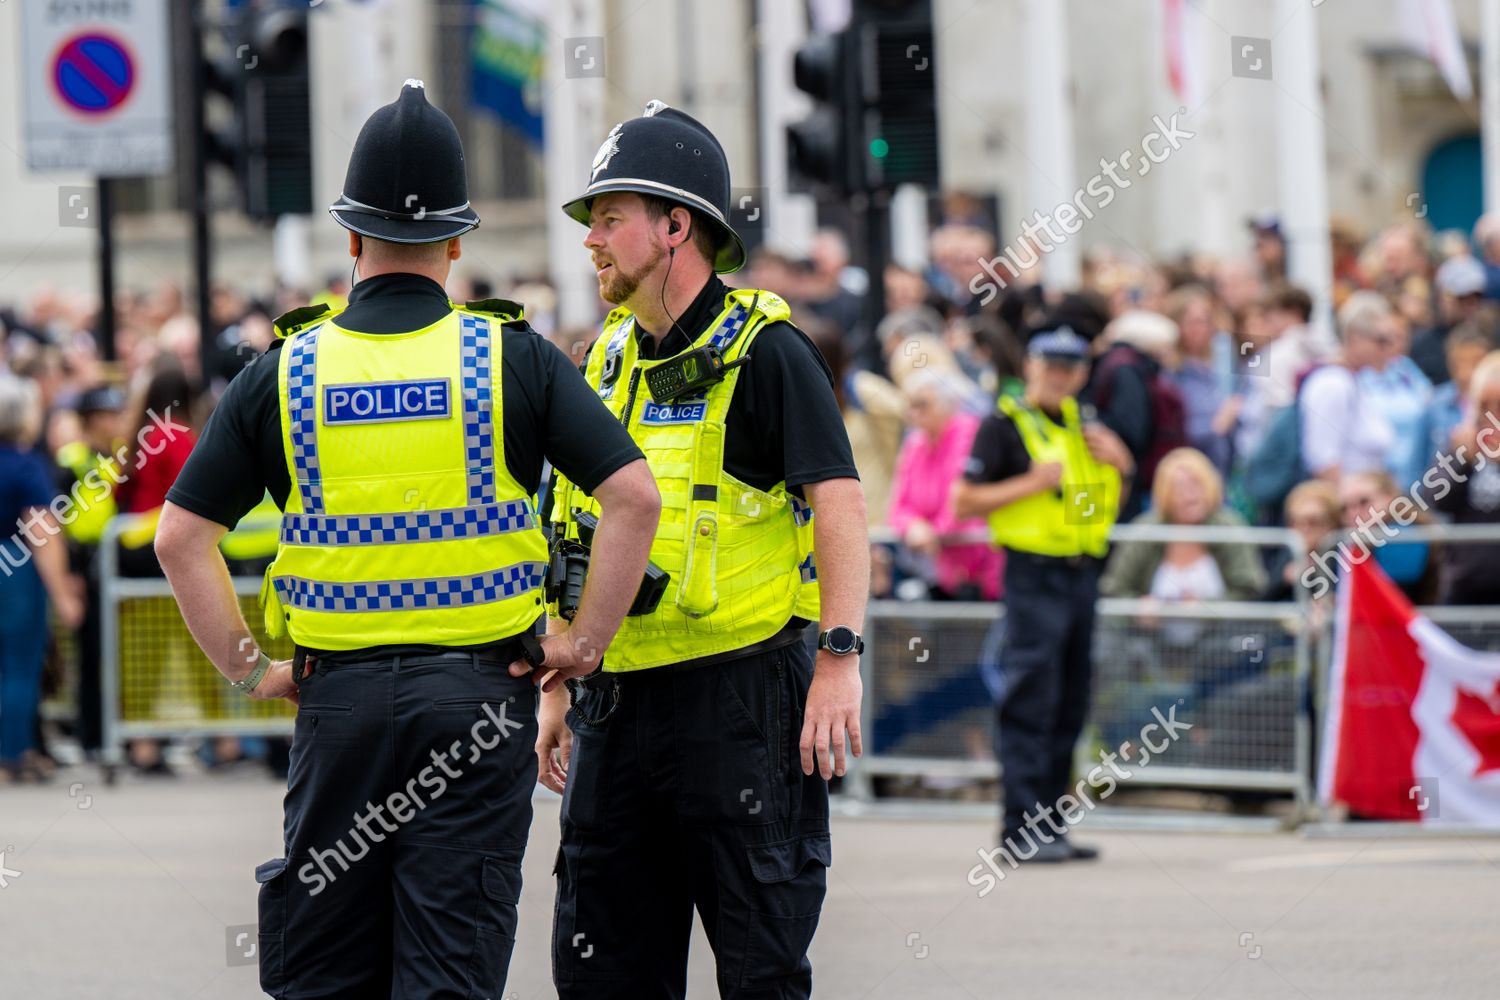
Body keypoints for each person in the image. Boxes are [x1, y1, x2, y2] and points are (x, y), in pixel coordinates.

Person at [153, 82, 659, 999]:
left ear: (350, 238)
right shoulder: (515, 358)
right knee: (449, 969)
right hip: (476, 705)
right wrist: (582, 644)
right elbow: (633, 497)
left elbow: (181, 537)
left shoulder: (286, 371)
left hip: (335, 703)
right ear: (457, 240)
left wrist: (247, 668)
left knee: (327, 970)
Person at [543, 100, 867, 999]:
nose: (592, 240)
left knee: (760, 970)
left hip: (743, 706)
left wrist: (838, 661)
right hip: (615, 711)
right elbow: (576, 527)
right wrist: (562, 684)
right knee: (602, 972)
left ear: (676, 225)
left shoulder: (769, 355)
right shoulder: (602, 360)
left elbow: (838, 505)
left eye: (609, 218)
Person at [953, 327, 1135, 863]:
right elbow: (963, 502)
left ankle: (1052, 825)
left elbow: (1104, 507)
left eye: (1071, 368)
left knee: (1070, 701)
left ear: (1083, 374)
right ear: (1031, 366)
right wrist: (1030, 483)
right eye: (1051, 365)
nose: (1061, 376)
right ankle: (1019, 828)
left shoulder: (1089, 427)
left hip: (1081, 575)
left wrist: (1123, 467)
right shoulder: (1004, 424)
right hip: (1032, 575)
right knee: (1030, 699)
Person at [0, 375, 83, 783]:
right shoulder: (25, 463)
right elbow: (42, 530)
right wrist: (64, 592)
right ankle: (10, 755)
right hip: (14, 575)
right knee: (19, 666)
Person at [54, 384, 126, 760]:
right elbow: (56, 521)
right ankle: (89, 735)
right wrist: (69, 573)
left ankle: (111, 734)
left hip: (113, 564)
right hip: (83, 563)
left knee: (117, 652)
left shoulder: (120, 458)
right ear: (89, 419)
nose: (114, 421)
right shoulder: (70, 460)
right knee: (89, 655)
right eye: (107, 415)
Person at [887, 369, 1002, 600]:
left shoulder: (971, 435)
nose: (913, 413)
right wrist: (913, 526)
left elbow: (963, 501)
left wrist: (933, 532)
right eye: (910, 405)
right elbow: (898, 506)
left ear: (948, 406)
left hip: (986, 572)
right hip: (942, 571)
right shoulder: (915, 443)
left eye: (922, 405)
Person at [1100, 447, 1266, 602]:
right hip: (1149, 633)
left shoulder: (1230, 528)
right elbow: (1114, 588)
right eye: (1179, 487)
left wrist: (1206, 608)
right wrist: (1138, 609)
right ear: (1164, 493)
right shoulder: (1145, 531)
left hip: (1222, 632)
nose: (1189, 494)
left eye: (1196, 484)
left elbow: (1250, 589)